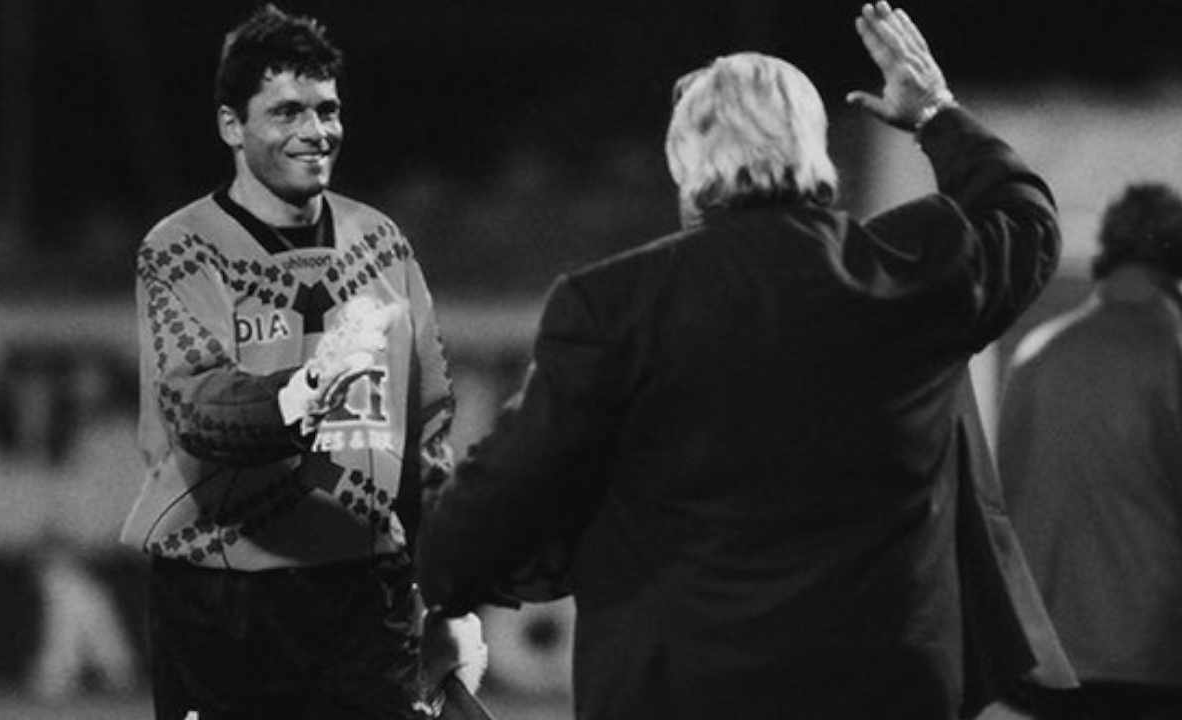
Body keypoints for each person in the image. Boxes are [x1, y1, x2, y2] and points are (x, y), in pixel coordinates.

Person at [418, 3, 1073, 718]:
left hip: (684, 690)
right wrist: (936, 114)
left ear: (683, 163)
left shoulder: (614, 304)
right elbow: (1026, 216)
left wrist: (434, 573)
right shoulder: (919, 267)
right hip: (890, 688)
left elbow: (516, 480)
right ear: (814, 151)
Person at [122, 6, 480, 718]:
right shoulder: (183, 248)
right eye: (287, 111)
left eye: (327, 109)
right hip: (225, 596)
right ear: (233, 125)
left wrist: (442, 596)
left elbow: (427, 435)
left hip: (365, 590)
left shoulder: (381, 244)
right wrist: (307, 390)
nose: (316, 132)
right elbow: (196, 407)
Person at [997, 183, 1182, 719]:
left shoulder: (1037, 352)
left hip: (1044, 656)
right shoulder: (1170, 350)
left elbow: (999, 504)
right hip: (1154, 660)